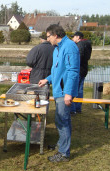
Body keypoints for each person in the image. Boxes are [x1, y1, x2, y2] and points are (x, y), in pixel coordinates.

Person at [38, 24, 80, 162]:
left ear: (56, 35)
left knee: (63, 121)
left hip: (64, 92)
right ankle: (61, 144)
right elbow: (57, 71)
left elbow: (73, 71)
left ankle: (64, 153)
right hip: (58, 91)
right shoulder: (57, 49)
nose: (47, 39)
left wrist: (68, 93)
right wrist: (47, 79)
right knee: (59, 120)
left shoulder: (69, 47)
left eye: (48, 36)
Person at [70, 31, 92, 114]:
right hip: (84, 69)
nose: (73, 39)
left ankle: (72, 109)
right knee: (80, 90)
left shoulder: (80, 45)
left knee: (72, 88)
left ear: (78, 37)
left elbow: (78, 57)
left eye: (74, 37)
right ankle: (78, 108)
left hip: (78, 69)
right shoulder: (88, 44)